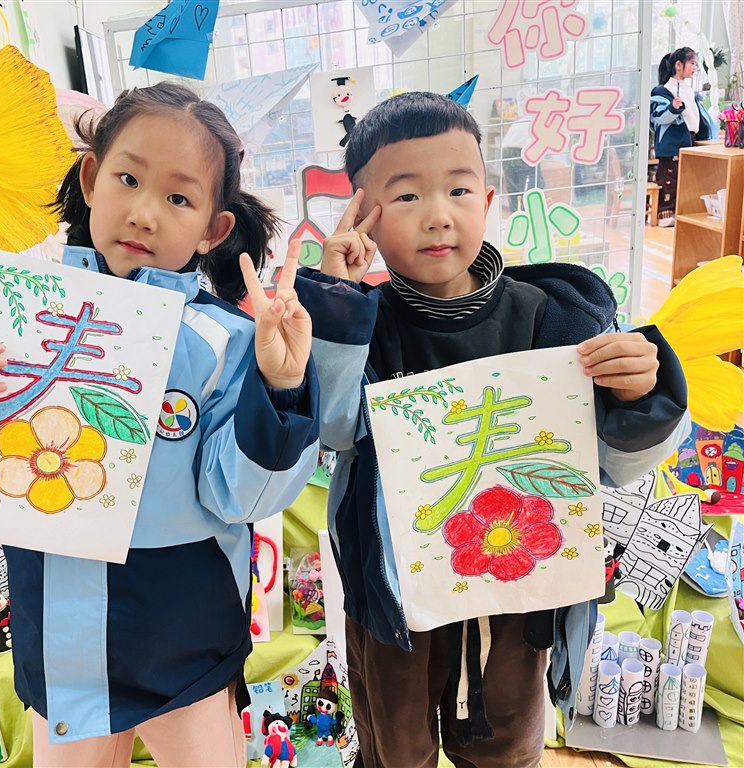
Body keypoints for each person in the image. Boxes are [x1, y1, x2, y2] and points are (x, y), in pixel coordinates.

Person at [0, 82, 320, 767]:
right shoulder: (23, 312)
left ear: (213, 229)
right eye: (128, 179)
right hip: (59, 649)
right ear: (91, 180)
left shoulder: (226, 342)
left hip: (186, 651)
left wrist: (282, 388)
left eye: (179, 198)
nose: (144, 213)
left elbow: (243, 496)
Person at [293, 91, 689, 768]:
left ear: (488, 198)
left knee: (507, 747)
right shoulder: (359, 323)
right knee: (395, 750)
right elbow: (334, 429)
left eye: (457, 189)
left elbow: (614, 467)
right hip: (395, 594)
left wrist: (639, 393)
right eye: (406, 196)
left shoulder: (556, 319)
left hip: (520, 594)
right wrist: (337, 304)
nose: (438, 214)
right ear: (361, 214)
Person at [650, 47, 718, 226]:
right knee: (669, 178)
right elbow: (658, 117)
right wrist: (673, 108)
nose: (695, 67)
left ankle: (683, 211)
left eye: (696, 64)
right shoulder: (662, 90)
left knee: (686, 178)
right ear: (678, 65)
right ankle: (665, 212)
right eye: (692, 63)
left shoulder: (690, 91)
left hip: (690, 140)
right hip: (672, 143)